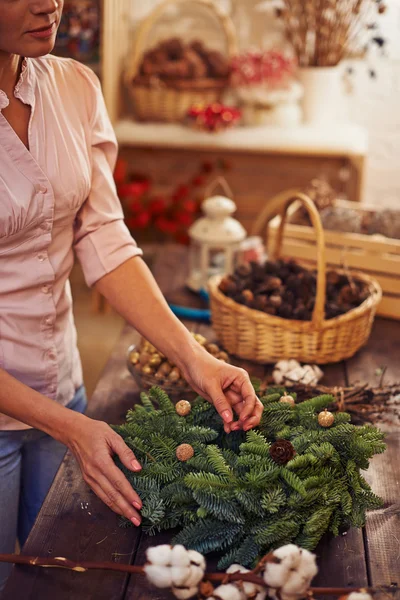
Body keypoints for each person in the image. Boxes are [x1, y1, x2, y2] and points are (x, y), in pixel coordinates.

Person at [0, 0, 264, 591]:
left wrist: (194, 356)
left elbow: (102, 238)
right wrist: (68, 427)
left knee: (63, 580)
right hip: (35, 413)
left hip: (63, 388)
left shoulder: (73, 87)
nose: (50, 3)